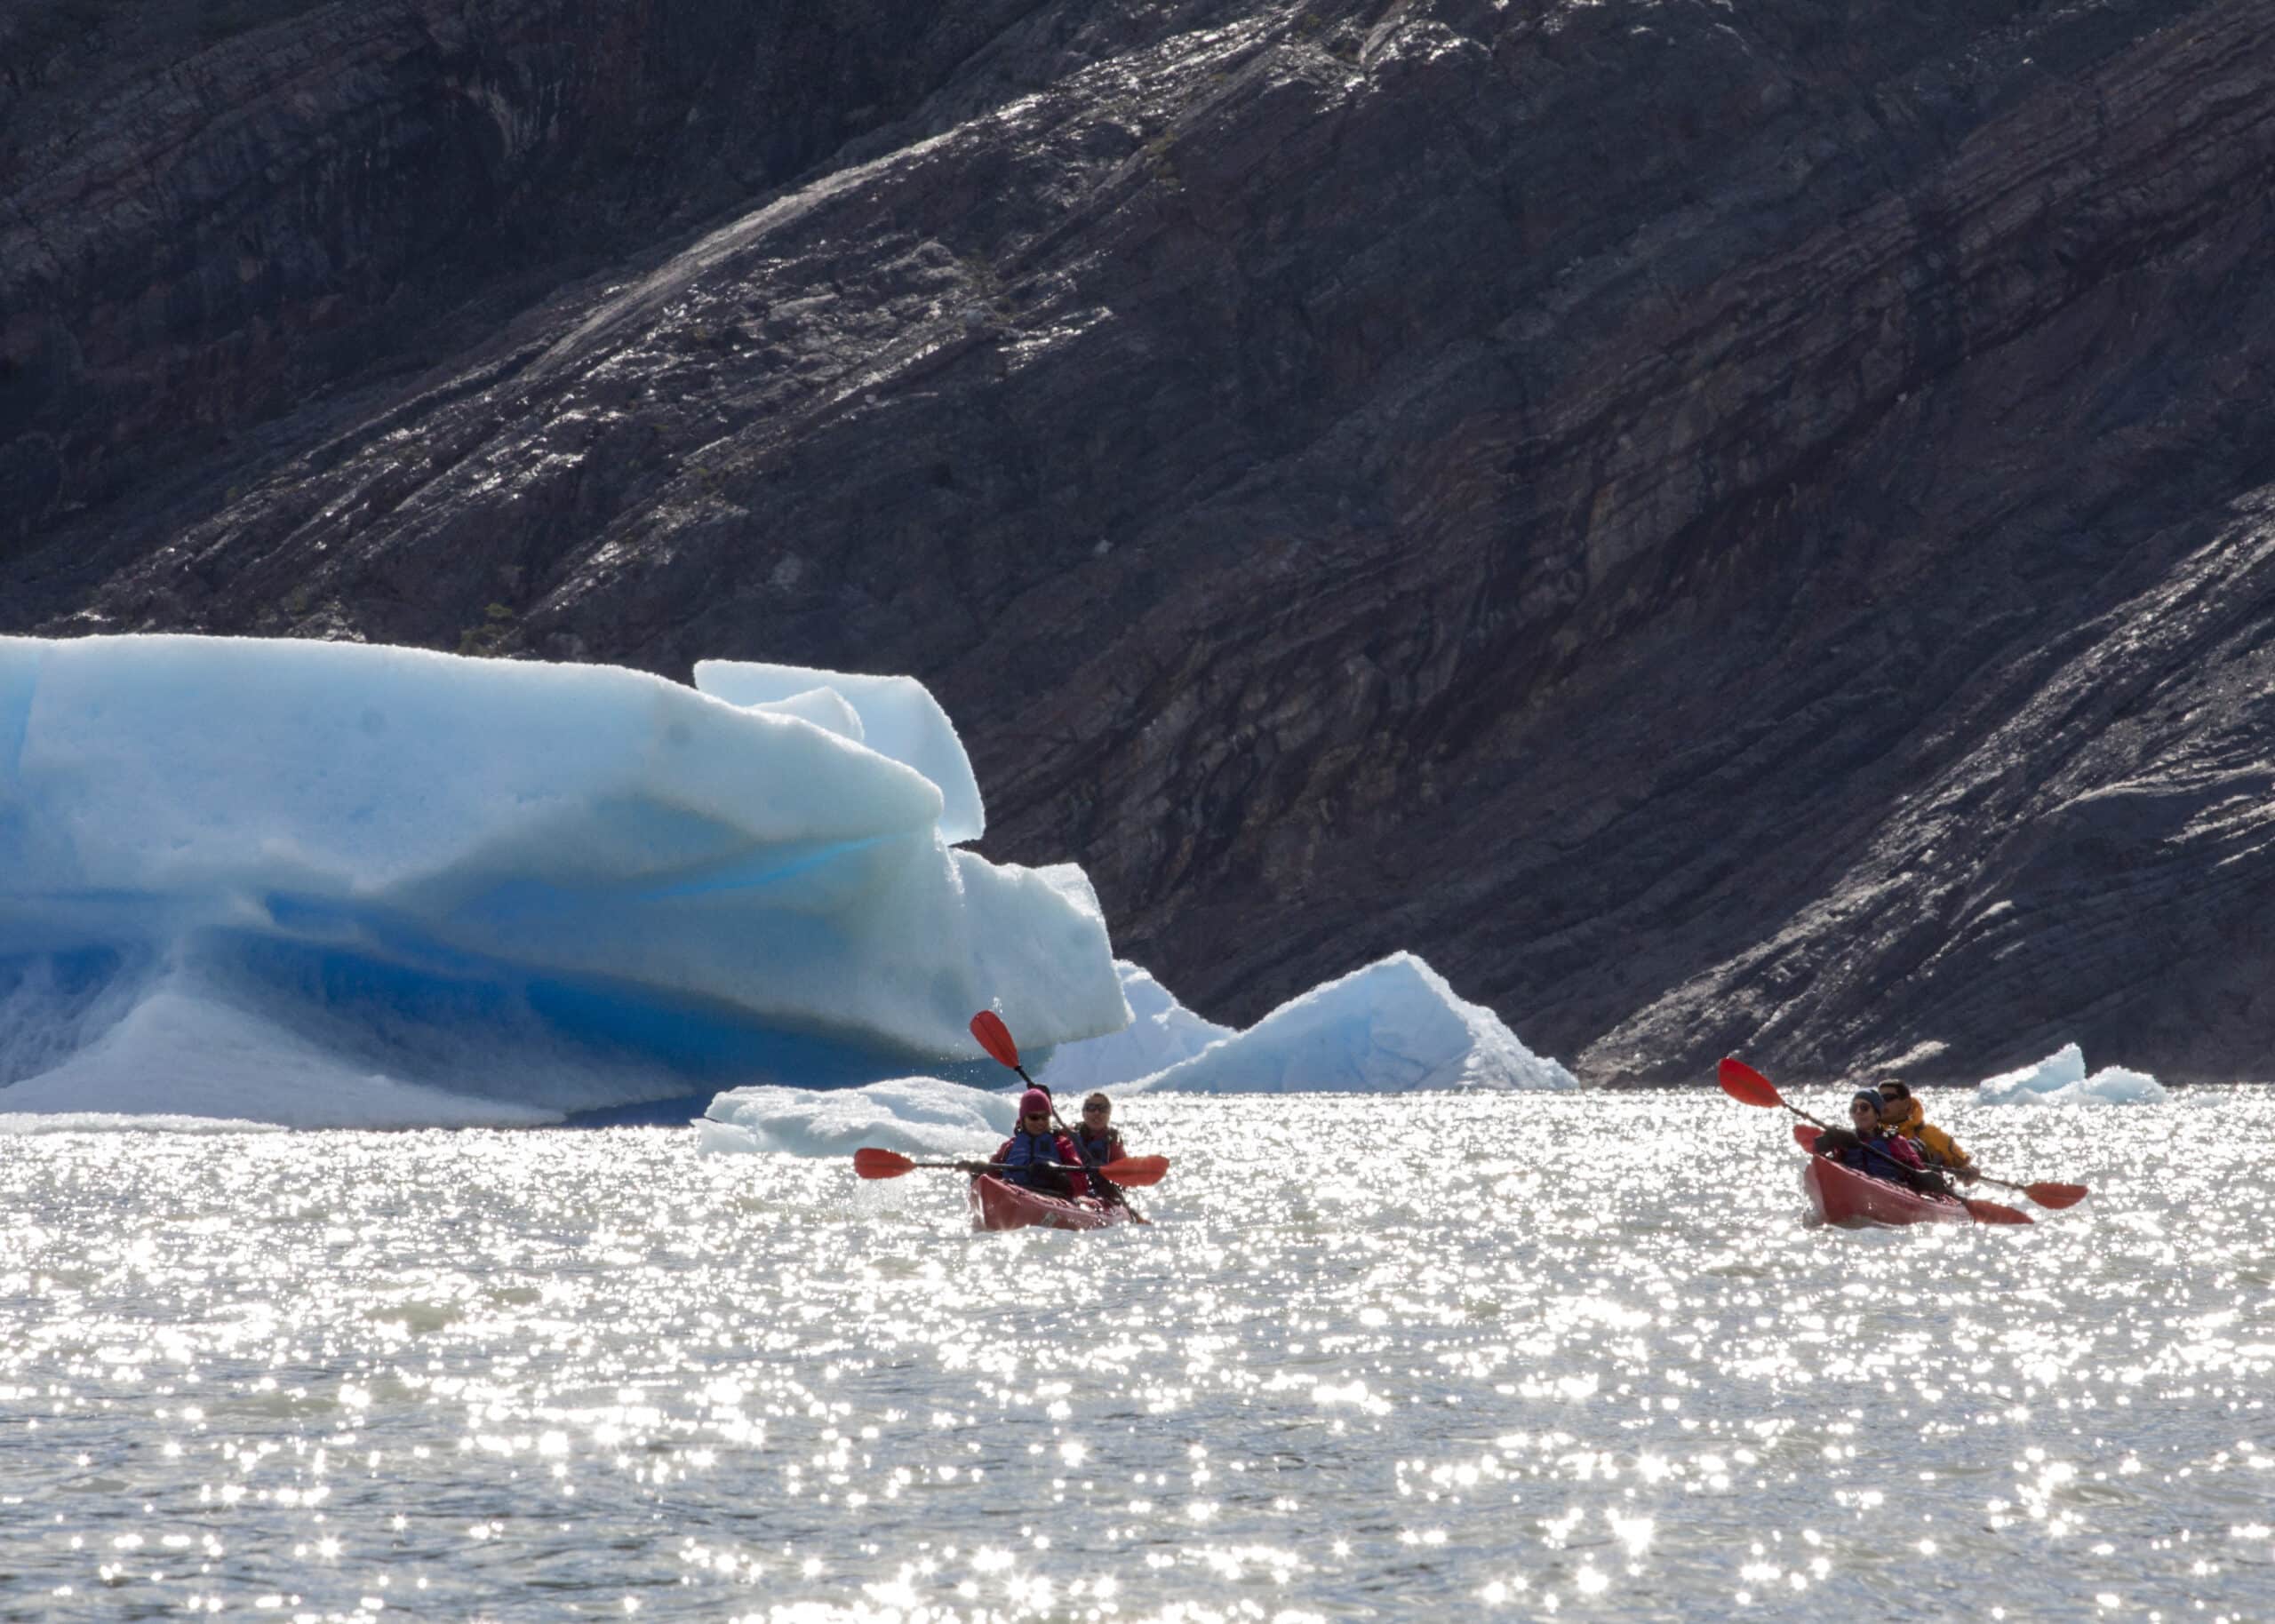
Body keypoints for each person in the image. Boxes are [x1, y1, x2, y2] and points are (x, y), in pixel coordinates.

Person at [1810, 1090, 1945, 1195]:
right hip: (1852, 1188)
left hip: (1891, 1190)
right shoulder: (1843, 1140)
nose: (1858, 1112)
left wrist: (1925, 1180)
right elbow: (1821, 1156)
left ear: (1877, 1114)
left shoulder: (1895, 1142)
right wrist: (1827, 1140)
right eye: (1854, 1109)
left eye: (1864, 1107)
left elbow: (1917, 1169)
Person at [967, 1088, 1090, 1199]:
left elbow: (1082, 1184)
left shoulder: (1062, 1144)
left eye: (1045, 1117)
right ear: (1023, 1118)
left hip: (1050, 1197)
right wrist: (979, 1172)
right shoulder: (1009, 1146)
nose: (1040, 1122)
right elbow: (992, 1176)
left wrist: (1058, 1177)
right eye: (1034, 1117)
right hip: (1014, 1194)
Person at [1876, 1080, 1977, 1182]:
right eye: (1877, 1099)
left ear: (1906, 1103)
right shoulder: (1870, 1130)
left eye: (1887, 1098)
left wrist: (1969, 1172)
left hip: (1921, 1191)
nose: (1882, 1103)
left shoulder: (1931, 1135)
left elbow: (1962, 1167)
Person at [1072, 1092, 1129, 1206]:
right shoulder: (1069, 1134)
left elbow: (1124, 1178)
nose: (1097, 1113)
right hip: (1074, 1190)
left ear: (1109, 1115)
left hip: (1100, 1194)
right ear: (1083, 1113)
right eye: (1091, 1108)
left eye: (1103, 1109)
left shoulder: (1113, 1141)